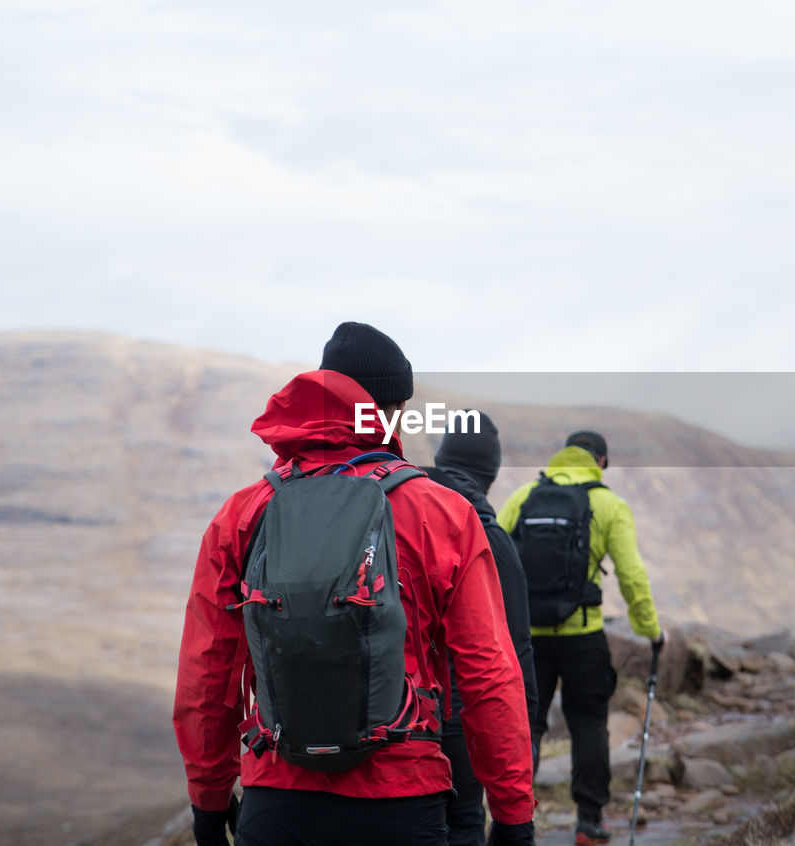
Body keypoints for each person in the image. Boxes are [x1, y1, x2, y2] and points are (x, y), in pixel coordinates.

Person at [173, 322, 536, 846]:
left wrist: (208, 802)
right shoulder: (443, 513)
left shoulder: (243, 514)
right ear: (390, 412)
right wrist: (512, 813)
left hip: (278, 801)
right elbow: (488, 675)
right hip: (403, 798)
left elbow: (208, 674)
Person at [498, 431, 663, 846]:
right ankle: (589, 822)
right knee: (589, 723)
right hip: (583, 635)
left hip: (528, 638)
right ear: (601, 461)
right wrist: (650, 630)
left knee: (527, 726)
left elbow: (492, 556)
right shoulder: (608, 504)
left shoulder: (523, 497)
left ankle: (513, 823)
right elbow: (631, 575)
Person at [424, 411, 539, 846]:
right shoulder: (489, 538)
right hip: (458, 726)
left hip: (393, 720)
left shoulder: (395, 506)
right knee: (462, 826)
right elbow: (514, 661)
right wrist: (518, 790)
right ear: (491, 474)